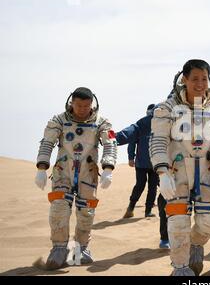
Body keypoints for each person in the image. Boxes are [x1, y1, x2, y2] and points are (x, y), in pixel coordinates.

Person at [150, 59, 210, 276]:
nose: (200, 83)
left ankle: (195, 244)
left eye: (204, 79)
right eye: (195, 79)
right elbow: (158, 141)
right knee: (178, 223)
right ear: (184, 79)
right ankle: (180, 267)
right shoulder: (166, 109)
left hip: (207, 172)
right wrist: (162, 172)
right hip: (177, 173)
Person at [34, 87, 117, 269]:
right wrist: (41, 168)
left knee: (86, 212)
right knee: (59, 209)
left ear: (92, 104)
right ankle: (59, 247)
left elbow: (110, 143)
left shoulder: (102, 122)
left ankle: (81, 248)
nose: (82, 109)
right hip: (63, 172)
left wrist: (108, 168)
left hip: (88, 173)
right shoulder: (59, 121)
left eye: (86, 106)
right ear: (71, 103)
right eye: (79, 105)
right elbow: (47, 142)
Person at [115, 104, 169, 249]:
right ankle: (131, 207)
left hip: (155, 163)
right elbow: (132, 141)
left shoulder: (161, 125)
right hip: (141, 163)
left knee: (152, 187)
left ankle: (148, 210)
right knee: (140, 185)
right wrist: (130, 157)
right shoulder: (143, 125)